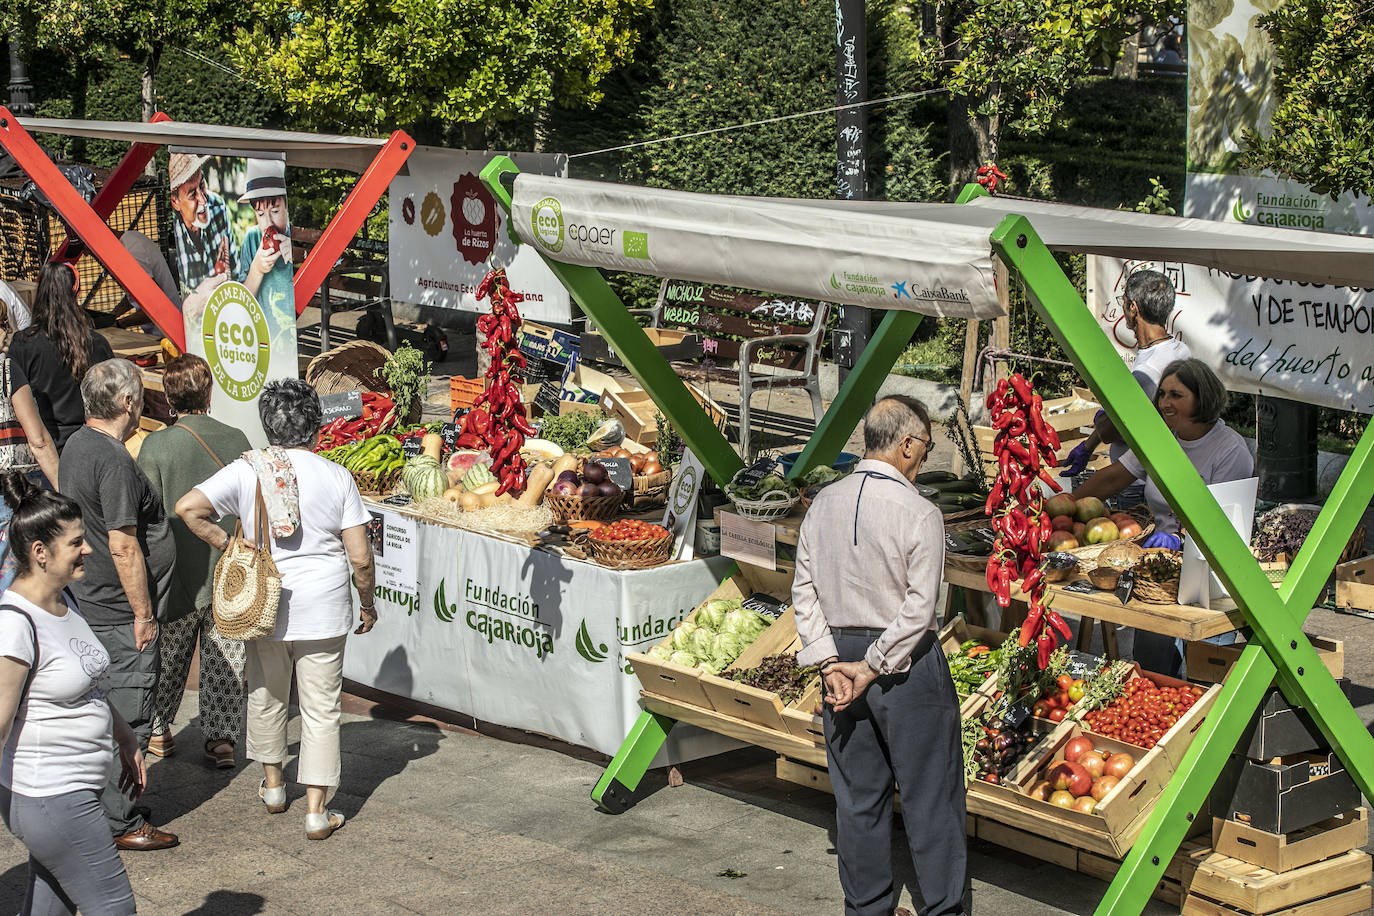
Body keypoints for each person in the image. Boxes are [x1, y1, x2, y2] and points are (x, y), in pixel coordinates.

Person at [177, 379, 377, 841]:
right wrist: (366, 603)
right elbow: (361, 558)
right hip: (325, 609)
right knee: (321, 709)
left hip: (263, 605)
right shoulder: (336, 476)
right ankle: (315, 811)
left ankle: (272, 787)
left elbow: (188, 507)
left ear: (268, 425)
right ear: (317, 426)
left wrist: (228, 543)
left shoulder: (247, 470)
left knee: (266, 694)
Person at [793, 395, 966, 916]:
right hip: (903, 665)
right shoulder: (920, 511)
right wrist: (869, 667)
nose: (925, 456)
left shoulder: (823, 502)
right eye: (927, 447)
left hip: (841, 661)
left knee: (857, 798)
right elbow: (919, 609)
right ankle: (943, 909)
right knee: (930, 799)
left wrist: (829, 663)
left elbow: (804, 591)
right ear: (908, 444)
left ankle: (865, 907)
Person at [0, 474, 145, 915]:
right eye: (77, 542)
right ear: (40, 552)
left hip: (70, 791)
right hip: (48, 793)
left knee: (52, 907)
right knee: (115, 908)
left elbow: (90, 684)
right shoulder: (14, 624)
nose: (89, 549)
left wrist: (125, 737)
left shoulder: (65, 601)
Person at [60, 358, 178, 850]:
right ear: (128, 403)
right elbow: (123, 543)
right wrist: (143, 616)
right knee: (129, 711)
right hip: (117, 608)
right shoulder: (110, 457)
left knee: (110, 709)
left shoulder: (78, 443)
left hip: (95, 601)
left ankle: (113, 805)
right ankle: (122, 822)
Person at [1073, 358, 1254, 675]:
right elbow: (1116, 476)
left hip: (1209, 576)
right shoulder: (1162, 437)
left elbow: (1224, 522)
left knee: (1203, 674)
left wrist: (1181, 538)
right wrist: (1068, 502)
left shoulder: (1229, 450)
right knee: (1152, 665)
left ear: (1203, 399)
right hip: (1158, 573)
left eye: (1176, 395)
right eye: (1163, 394)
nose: (1165, 403)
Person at [137, 355, 250, 768]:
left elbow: (144, 513)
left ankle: (159, 729)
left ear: (168, 397)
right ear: (209, 392)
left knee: (169, 657)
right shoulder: (237, 439)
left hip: (175, 572)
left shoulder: (156, 445)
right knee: (226, 656)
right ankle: (221, 739)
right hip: (227, 571)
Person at [1060, 269, 1191, 508]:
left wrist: (1103, 423)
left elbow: (1113, 431)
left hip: (1136, 485)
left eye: (1123, 303)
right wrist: (1088, 446)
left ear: (1133, 308)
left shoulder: (1148, 372)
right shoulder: (1179, 350)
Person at [8, 262, 116, 453]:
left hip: (43, 446)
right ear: (76, 293)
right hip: (90, 444)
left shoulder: (23, 343)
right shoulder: (96, 343)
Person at [235, 159, 296, 347]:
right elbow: (243, 299)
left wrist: (296, 259)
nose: (268, 222)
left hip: (291, 335)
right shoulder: (253, 239)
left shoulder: (296, 239)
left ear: (287, 208)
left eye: (275, 211)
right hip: (265, 336)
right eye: (260, 214)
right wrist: (257, 269)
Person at [168, 153, 235, 324]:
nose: (203, 200)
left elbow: (234, 272)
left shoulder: (217, 206)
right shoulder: (176, 229)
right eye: (192, 194)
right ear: (175, 202)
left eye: (202, 186)